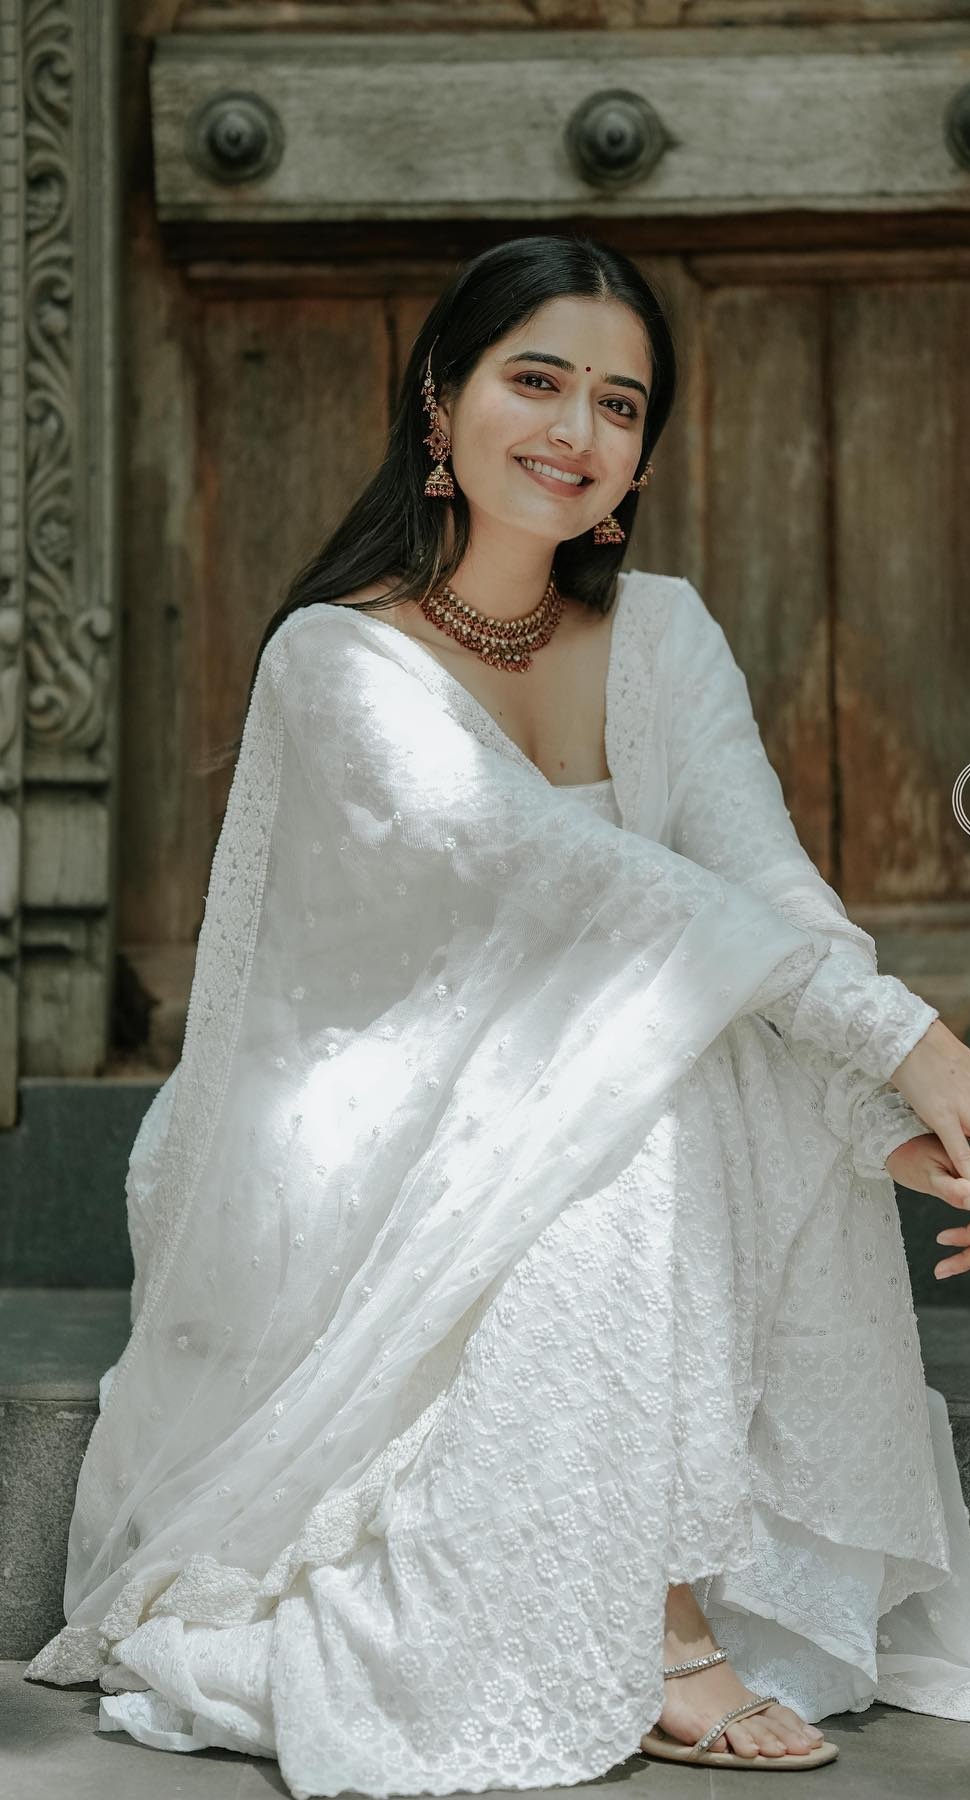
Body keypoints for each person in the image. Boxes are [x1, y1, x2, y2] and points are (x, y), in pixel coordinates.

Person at [24, 234, 970, 1793]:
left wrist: (899, 1117)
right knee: (641, 1043)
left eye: (620, 403)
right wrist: (912, 1052)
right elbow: (579, 889)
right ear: (439, 404)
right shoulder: (335, 657)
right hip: (377, 1127)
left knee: (675, 1033)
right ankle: (658, 1615)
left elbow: (764, 892)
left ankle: (664, 1567)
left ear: (641, 455)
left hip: (618, 1085)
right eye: (536, 380)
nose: (575, 431)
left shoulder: (661, 633)